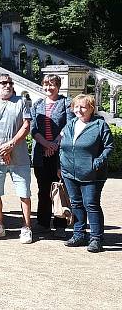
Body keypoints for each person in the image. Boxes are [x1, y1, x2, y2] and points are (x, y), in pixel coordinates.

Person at [0, 74, 33, 243]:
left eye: (10, 83)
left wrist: (10, 145)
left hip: (19, 155)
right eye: (4, 83)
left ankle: (26, 227)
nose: (8, 85)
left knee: (24, 192)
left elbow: (26, 126)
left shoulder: (21, 101)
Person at [60, 94, 113, 253]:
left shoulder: (99, 125)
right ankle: (79, 234)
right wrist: (61, 164)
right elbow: (62, 147)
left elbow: (109, 147)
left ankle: (96, 238)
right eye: (76, 107)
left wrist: (99, 161)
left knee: (91, 204)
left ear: (91, 108)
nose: (79, 110)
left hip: (93, 173)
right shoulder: (70, 124)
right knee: (75, 203)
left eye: (83, 107)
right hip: (69, 172)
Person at [30, 74, 72, 238]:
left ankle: (60, 224)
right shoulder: (37, 104)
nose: (49, 88)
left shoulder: (66, 103)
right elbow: (33, 129)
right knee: (43, 189)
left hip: (60, 153)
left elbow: (69, 125)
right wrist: (46, 144)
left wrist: (54, 144)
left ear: (58, 86)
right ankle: (43, 223)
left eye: (52, 85)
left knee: (60, 188)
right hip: (41, 152)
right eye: (46, 85)